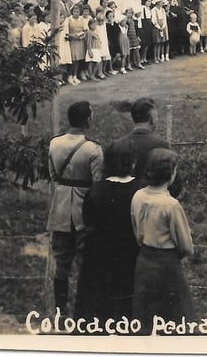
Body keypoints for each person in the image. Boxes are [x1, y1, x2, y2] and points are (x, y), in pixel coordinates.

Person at [47, 100, 104, 316]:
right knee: (83, 263)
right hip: (84, 211)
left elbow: (53, 176)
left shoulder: (54, 144)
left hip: (60, 209)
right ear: (87, 120)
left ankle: (60, 313)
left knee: (61, 264)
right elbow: (97, 184)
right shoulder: (93, 149)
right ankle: (82, 313)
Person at [75, 140, 143, 322]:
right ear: (132, 162)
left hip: (98, 258)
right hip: (130, 257)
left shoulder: (96, 190)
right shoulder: (140, 190)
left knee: (96, 313)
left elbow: (87, 219)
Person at [131, 148, 194, 334]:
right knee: (174, 318)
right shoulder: (171, 205)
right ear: (170, 174)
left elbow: (137, 232)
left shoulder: (138, 196)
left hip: (143, 261)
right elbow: (186, 245)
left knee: (145, 317)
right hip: (167, 265)